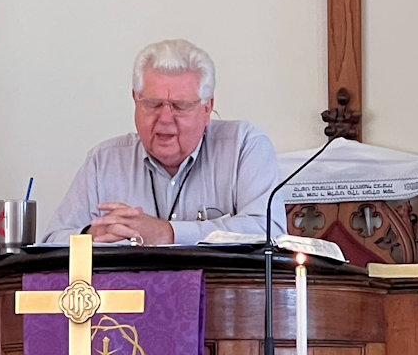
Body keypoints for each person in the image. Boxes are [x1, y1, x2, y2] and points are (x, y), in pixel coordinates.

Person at [41, 39, 286, 245]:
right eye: (153, 104)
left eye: (180, 106)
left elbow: (270, 231)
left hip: (221, 288)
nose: (165, 118)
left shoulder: (244, 146)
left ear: (207, 107)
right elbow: (51, 242)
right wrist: (91, 236)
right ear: (135, 100)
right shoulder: (103, 161)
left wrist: (168, 233)